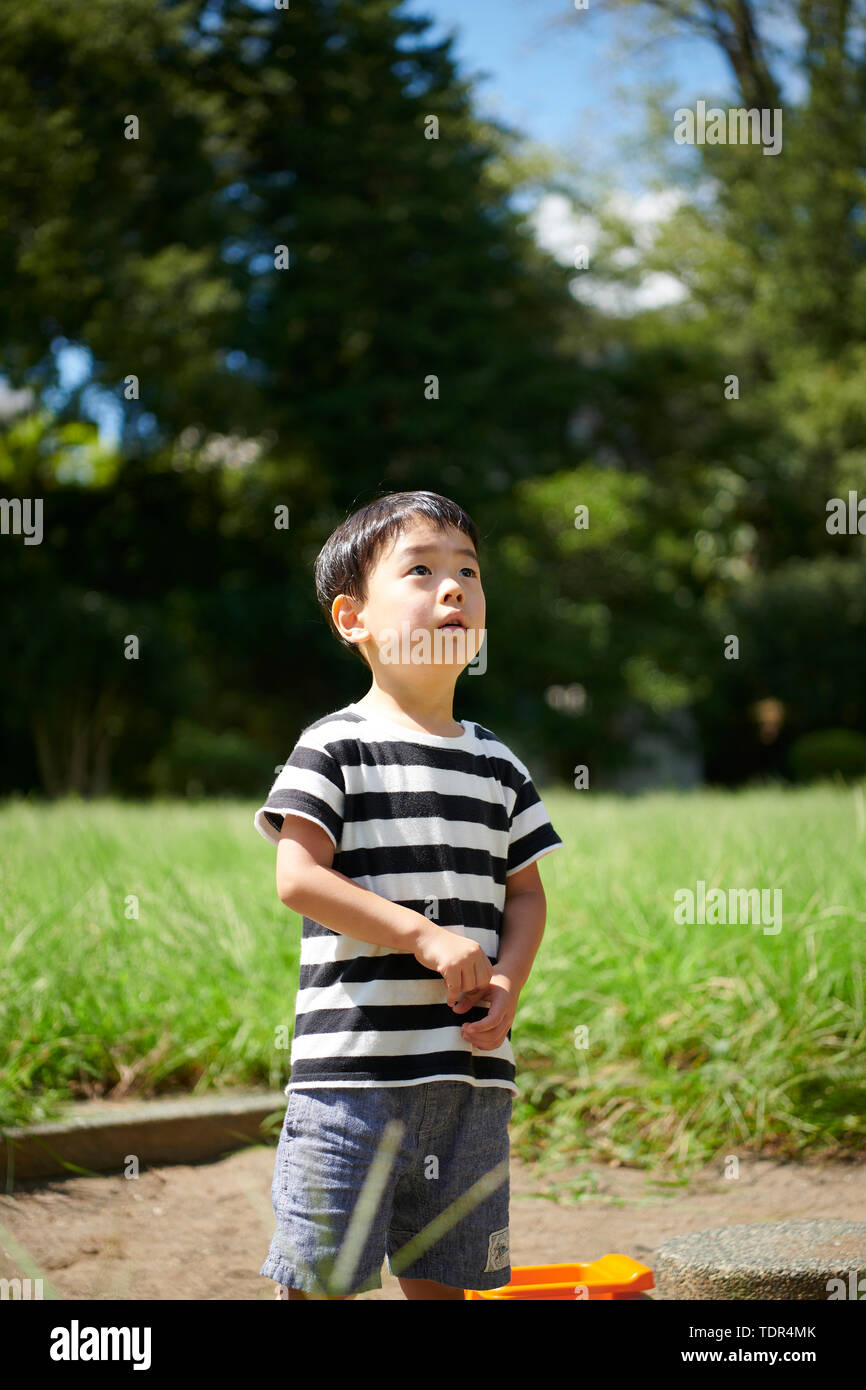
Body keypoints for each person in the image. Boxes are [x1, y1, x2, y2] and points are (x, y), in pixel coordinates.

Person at [254, 490, 564, 1300]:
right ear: (352, 618)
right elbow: (299, 877)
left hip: (468, 1079)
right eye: (421, 571)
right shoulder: (335, 745)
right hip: (351, 1078)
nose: (453, 588)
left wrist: (510, 979)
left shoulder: (497, 763)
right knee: (322, 1278)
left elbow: (525, 895)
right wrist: (423, 936)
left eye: (468, 571)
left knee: (447, 1277)